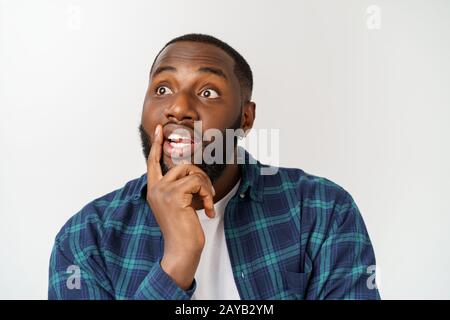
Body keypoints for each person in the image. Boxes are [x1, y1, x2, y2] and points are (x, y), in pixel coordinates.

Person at [48, 33, 380, 300]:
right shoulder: (85, 239)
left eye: (207, 92)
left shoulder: (322, 211)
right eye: (162, 89)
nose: (178, 108)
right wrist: (177, 261)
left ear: (245, 118)